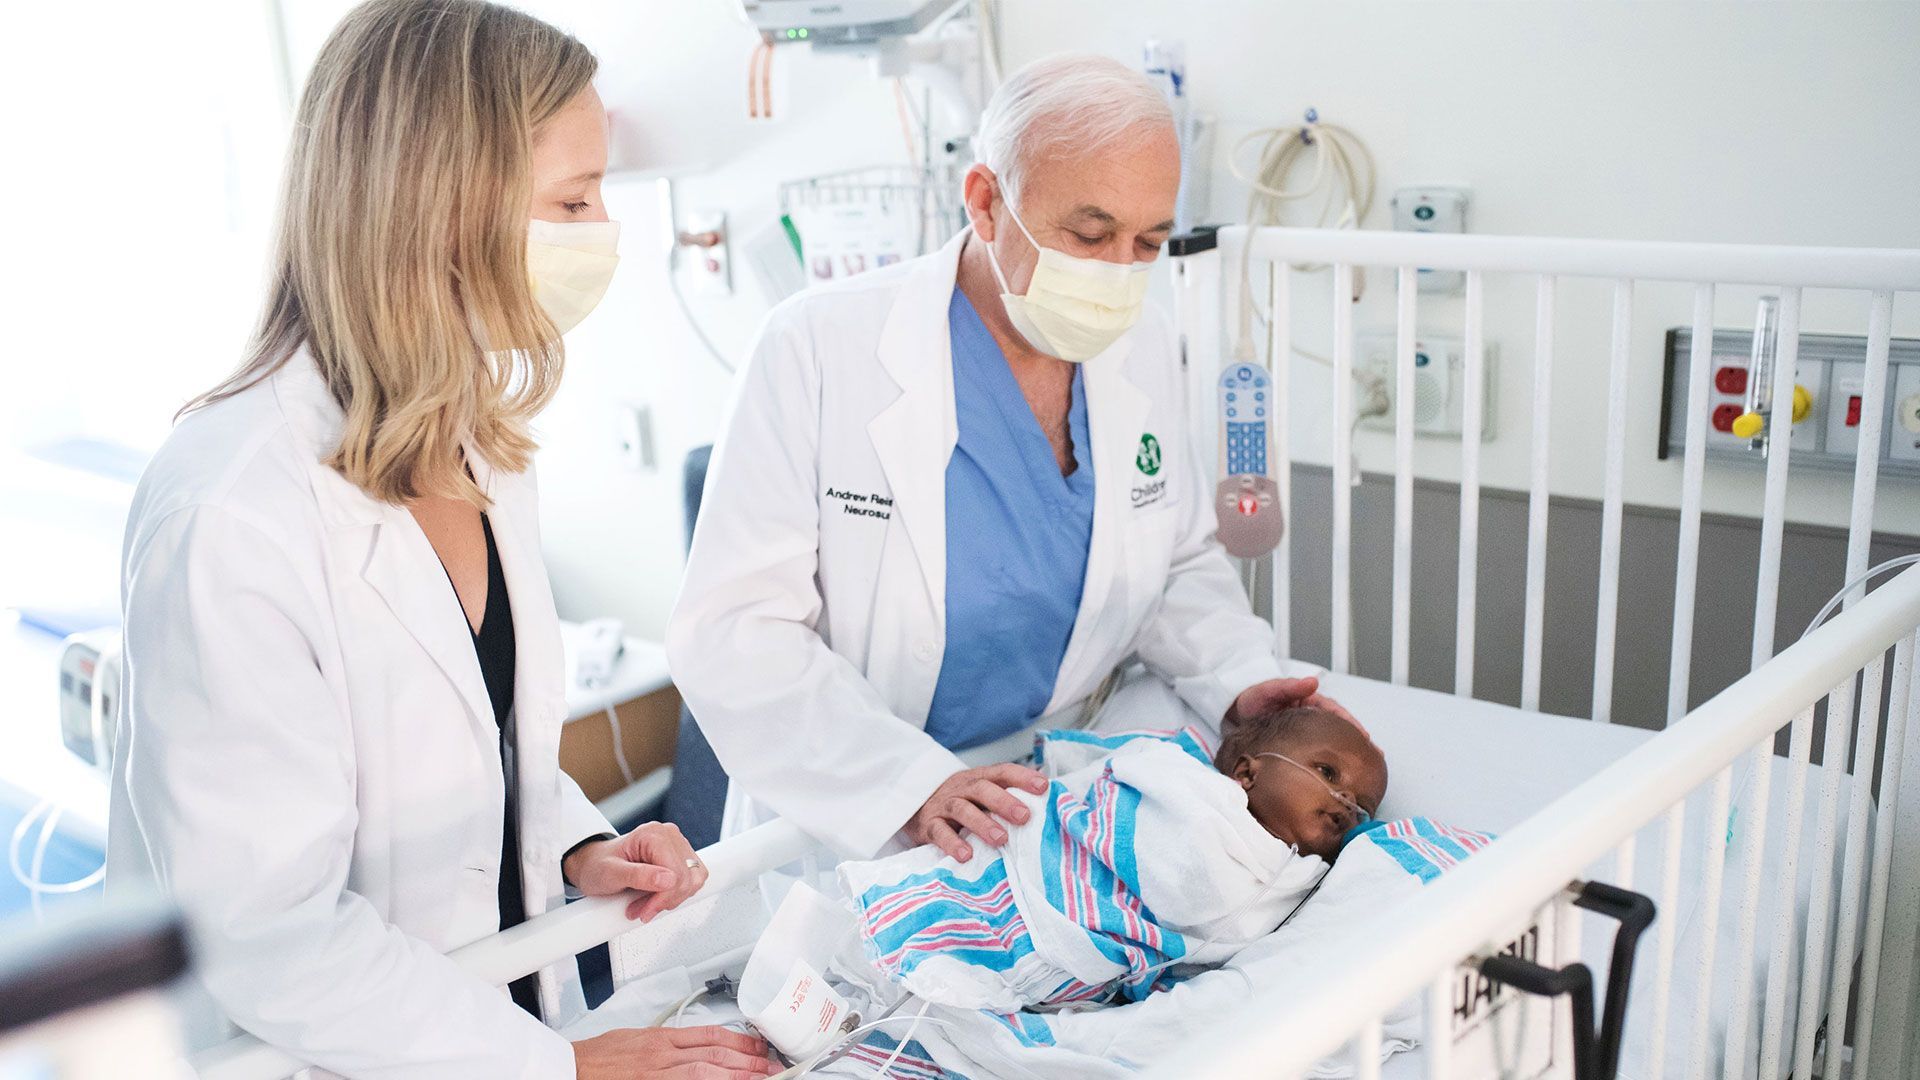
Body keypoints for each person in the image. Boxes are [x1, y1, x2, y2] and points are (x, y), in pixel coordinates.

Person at [106, 2, 772, 1076]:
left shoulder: (481, 447)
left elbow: (479, 751)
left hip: (499, 1023)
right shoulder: (232, 511)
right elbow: (267, 935)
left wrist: (580, 847)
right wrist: (571, 1070)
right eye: (573, 199)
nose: (604, 229)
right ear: (441, 207)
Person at [667, 52, 1351, 865]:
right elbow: (736, 631)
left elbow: (1174, 563)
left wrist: (1238, 679)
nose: (1118, 272)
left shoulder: (1143, 343)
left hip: (1054, 796)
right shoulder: (819, 345)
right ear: (987, 202)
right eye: (1089, 234)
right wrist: (909, 786)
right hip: (861, 812)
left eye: (1148, 242)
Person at [836, 708, 1388, 1012]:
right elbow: (1173, 870)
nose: (1345, 805)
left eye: (1362, 809)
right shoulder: (1188, 789)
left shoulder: (1298, 882)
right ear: (1246, 773)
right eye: (1328, 773)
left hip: (1067, 963)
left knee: (919, 1006)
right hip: (1022, 874)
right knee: (869, 951)